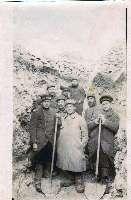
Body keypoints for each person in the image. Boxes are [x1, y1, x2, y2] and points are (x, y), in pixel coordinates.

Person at [85, 94, 120, 193]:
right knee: (96, 156)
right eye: (103, 104)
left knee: (105, 157)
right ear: (101, 105)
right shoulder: (97, 114)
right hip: (96, 140)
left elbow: (115, 127)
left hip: (107, 141)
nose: (105, 105)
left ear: (110, 104)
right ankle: (97, 175)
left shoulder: (114, 115)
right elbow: (88, 126)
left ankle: (105, 177)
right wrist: (95, 122)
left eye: (107, 104)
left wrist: (105, 122)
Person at [56, 99, 88, 193]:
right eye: (67, 107)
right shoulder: (64, 118)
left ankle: (79, 181)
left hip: (76, 146)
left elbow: (85, 134)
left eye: (71, 106)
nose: (69, 108)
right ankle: (70, 179)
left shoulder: (80, 118)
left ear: (74, 107)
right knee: (66, 161)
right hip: (65, 145)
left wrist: (82, 145)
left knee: (77, 163)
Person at [29, 94, 56, 193]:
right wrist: (34, 142)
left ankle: (47, 174)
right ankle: (37, 181)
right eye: (45, 102)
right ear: (42, 102)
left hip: (49, 140)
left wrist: (59, 121)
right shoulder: (36, 112)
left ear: (50, 102)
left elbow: (57, 124)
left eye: (48, 101)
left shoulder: (53, 112)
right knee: (39, 162)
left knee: (48, 159)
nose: (46, 103)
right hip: (40, 141)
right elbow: (32, 128)